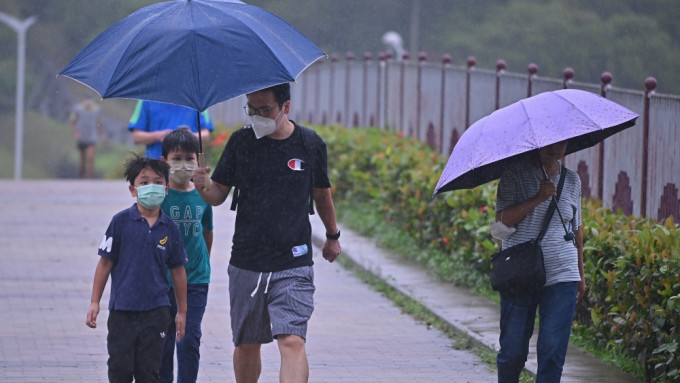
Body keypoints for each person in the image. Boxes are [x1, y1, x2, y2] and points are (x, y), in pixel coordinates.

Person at [192, 83, 342, 383]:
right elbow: (219, 193)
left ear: (285, 107)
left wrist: (332, 235)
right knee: (247, 344)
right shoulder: (240, 142)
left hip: (293, 261)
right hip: (247, 260)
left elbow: (322, 193)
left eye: (265, 110)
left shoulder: (309, 143)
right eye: (251, 109)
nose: (257, 116)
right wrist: (202, 186)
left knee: (292, 340)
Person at [86, 153, 188, 383]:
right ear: (133, 190)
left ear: (167, 188)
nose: (151, 187)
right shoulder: (120, 222)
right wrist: (95, 302)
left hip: (157, 312)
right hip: (122, 311)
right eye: (144, 182)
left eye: (158, 182)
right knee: (119, 371)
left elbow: (178, 271)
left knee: (149, 372)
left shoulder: (170, 228)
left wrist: (181, 311)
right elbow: (104, 263)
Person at [493, 140, 586, 383]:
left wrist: (581, 275)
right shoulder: (514, 176)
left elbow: (577, 231)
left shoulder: (573, 180)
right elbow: (500, 226)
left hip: (562, 274)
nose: (555, 148)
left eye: (561, 142)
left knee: (553, 352)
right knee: (512, 351)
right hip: (519, 271)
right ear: (536, 144)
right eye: (549, 143)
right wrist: (538, 197)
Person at [158, 130, 214, 383]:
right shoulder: (160, 197)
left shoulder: (204, 195)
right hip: (162, 282)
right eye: (176, 157)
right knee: (163, 343)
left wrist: (203, 266)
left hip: (195, 281)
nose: (183, 163)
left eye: (189, 158)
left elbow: (207, 232)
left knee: (188, 339)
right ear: (164, 161)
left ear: (198, 161)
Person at [128, 100, 214, 159]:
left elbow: (206, 135)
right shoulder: (146, 99)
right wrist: (158, 136)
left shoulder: (197, 100)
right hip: (156, 170)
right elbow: (136, 137)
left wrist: (189, 136)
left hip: (188, 168)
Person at [70, 92, 105, 178]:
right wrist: (76, 132)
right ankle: (81, 176)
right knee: (83, 160)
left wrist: (101, 134)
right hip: (82, 136)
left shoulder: (96, 109)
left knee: (90, 158)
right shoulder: (78, 109)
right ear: (84, 100)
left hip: (92, 136)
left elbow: (99, 123)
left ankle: (90, 178)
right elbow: (72, 122)